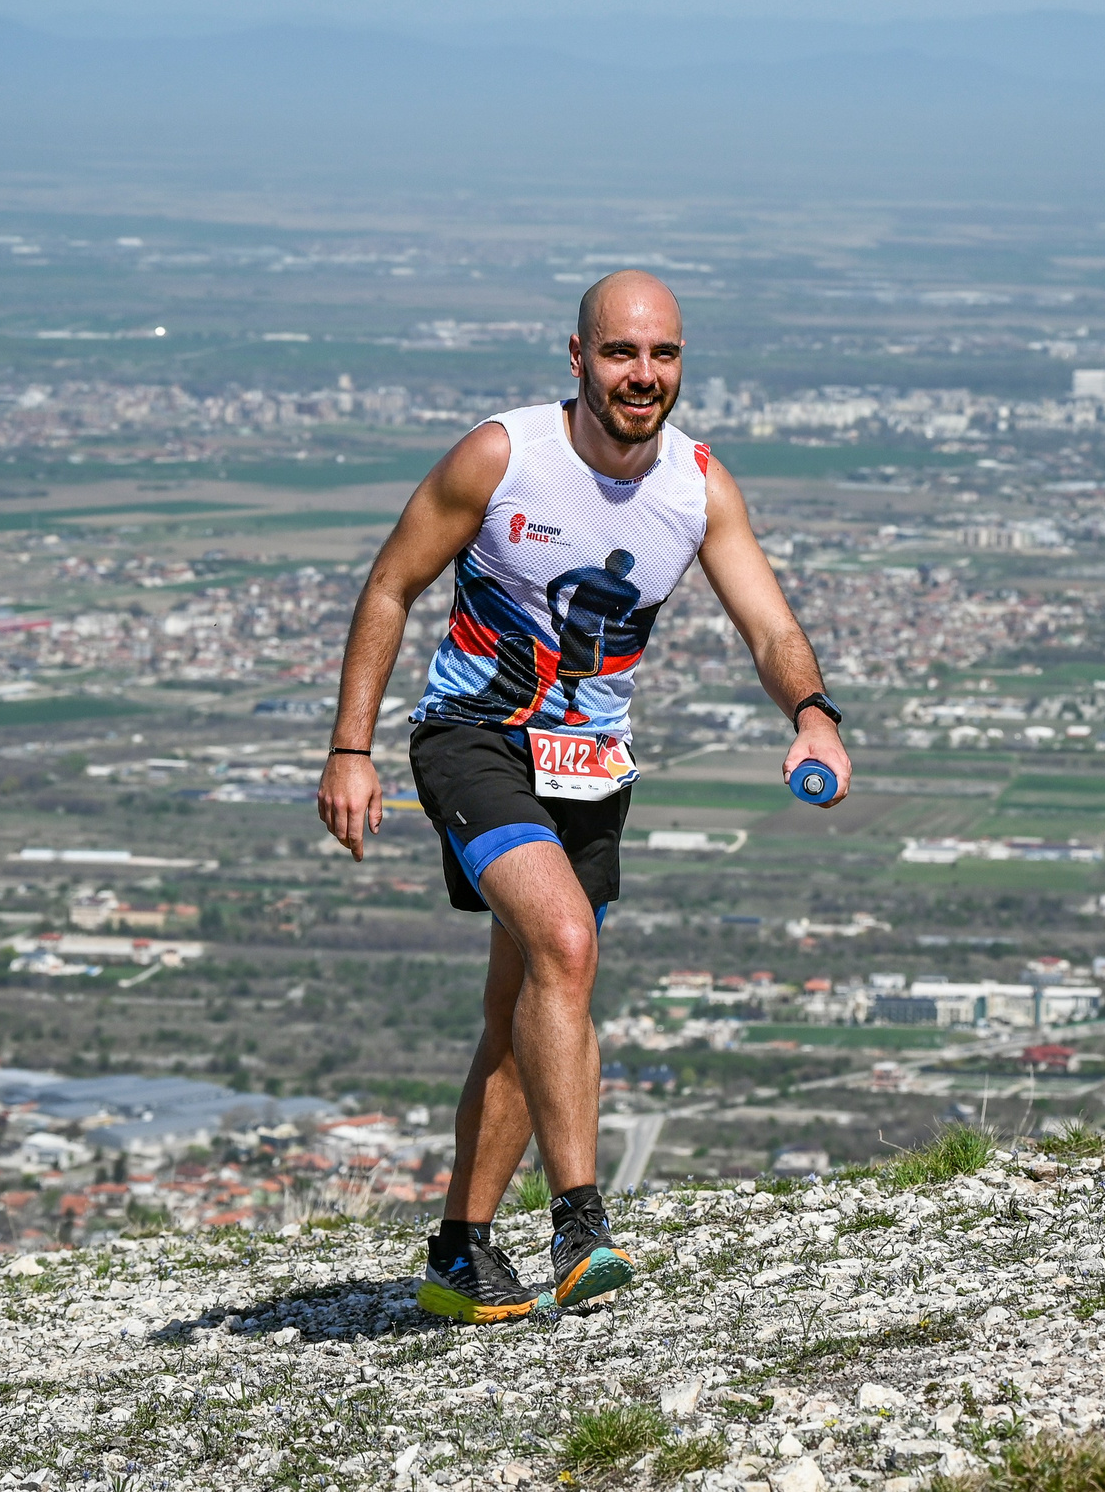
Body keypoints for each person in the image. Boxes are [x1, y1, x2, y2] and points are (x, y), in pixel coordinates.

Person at [315, 270, 852, 1324]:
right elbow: (391, 583)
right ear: (577, 358)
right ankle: (579, 1223)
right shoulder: (503, 456)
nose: (641, 375)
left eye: (661, 356)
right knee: (565, 945)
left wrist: (814, 711)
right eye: (619, 353)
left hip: (592, 769)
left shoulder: (698, 487)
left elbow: (769, 626)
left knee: (528, 1009)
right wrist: (350, 747)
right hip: (473, 738)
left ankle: (461, 1252)